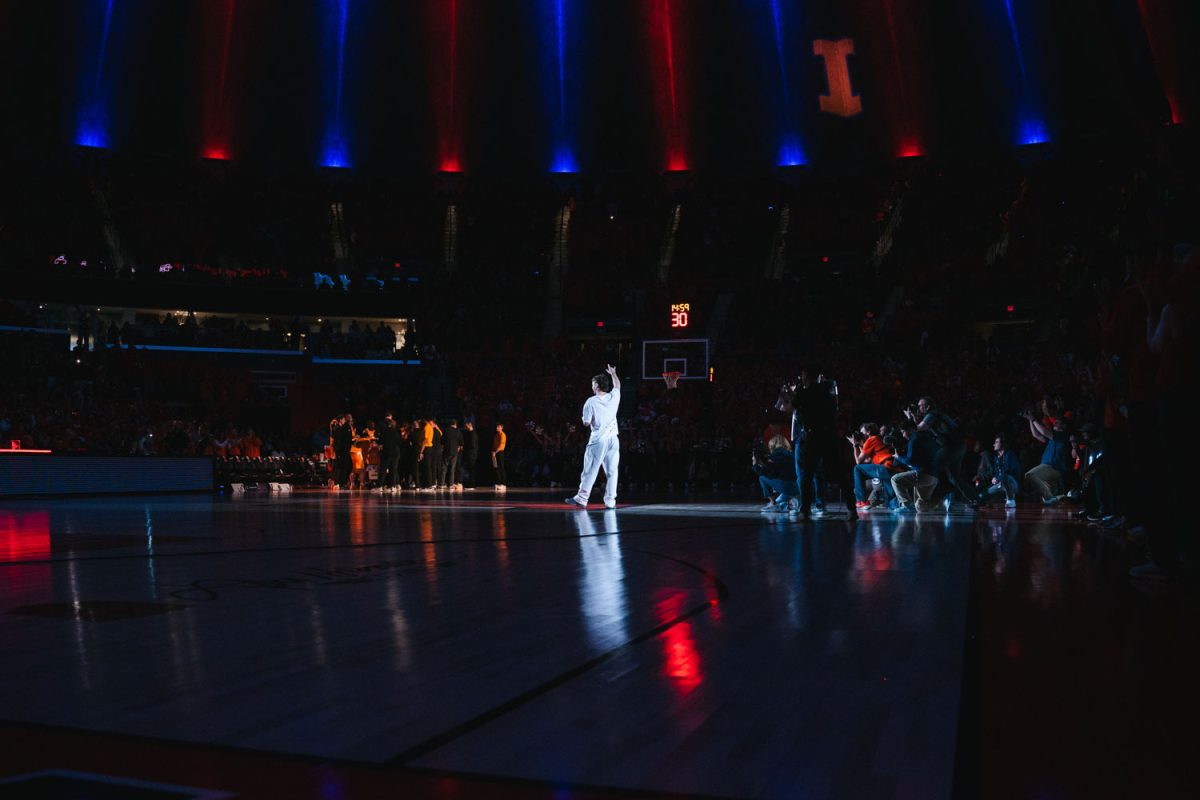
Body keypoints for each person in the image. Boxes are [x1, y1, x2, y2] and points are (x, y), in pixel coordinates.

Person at [566, 364, 621, 509]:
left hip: (598, 441)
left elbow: (586, 422)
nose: (591, 386)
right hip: (613, 440)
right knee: (612, 471)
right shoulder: (614, 397)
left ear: (596, 386)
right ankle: (610, 501)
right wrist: (613, 374)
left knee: (590, 469)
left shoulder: (591, 402)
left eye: (592, 384)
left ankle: (582, 498)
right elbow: (617, 386)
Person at [441, 418, 463, 491]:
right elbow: (461, 442)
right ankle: (450, 484)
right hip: (454, 452)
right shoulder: (458, 431)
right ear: (455, 424)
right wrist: (459, 447)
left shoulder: (446, 431)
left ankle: (442, 484)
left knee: (444, 468)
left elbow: (442, 441)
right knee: (452, 468)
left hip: (446, 451)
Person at [462, 420, 478, 489]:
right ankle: (470, 484)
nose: (465, 427)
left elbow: (473, 445)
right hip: (470, 454)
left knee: (471, 469)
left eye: (466, 426)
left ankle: (472, 485)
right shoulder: (469, 433)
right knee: (470, 469)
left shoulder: (473, 434)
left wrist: (465, 448)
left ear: (470, 425)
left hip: (471, 454)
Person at [491, 423, 507, 491]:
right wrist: (492, 452)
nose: (497, 428)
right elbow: (494, 444)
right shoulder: (496, 435)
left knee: (501, 468)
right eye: (496, 426)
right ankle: (498, 482)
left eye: (498, 427)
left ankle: (503, 484)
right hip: (495, 453)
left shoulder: (503, 435)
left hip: (500, 452)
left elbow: (501, 445)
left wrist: (495, 452)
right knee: (496, 467)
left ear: (502, 427)